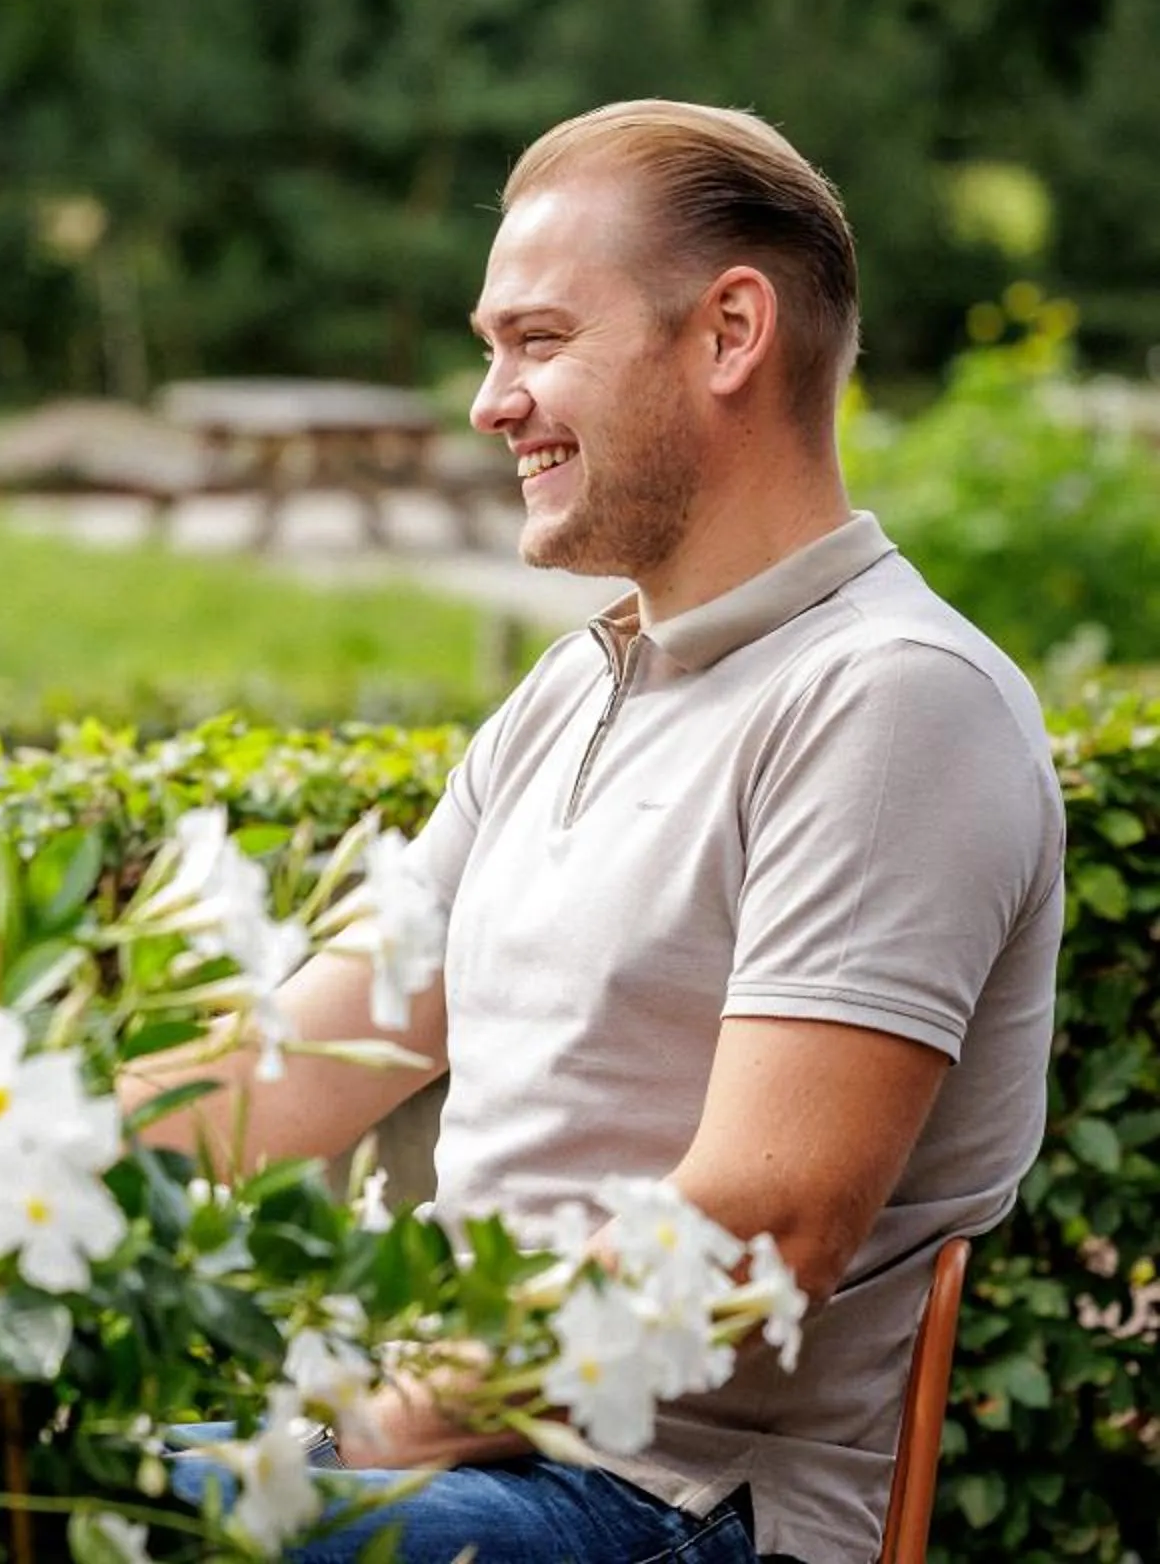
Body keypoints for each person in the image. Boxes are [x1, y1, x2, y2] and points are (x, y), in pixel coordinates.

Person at [133, 101, 1064, 1564]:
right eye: (491, 346)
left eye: (539, 341)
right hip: (464, 1460)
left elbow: (765, 1225)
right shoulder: (581, 683)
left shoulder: (894, 703)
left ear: (729, 334)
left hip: (675, 1506)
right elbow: (303, 1055)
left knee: (69, 1528)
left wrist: (370, 1424)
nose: (489, 401)